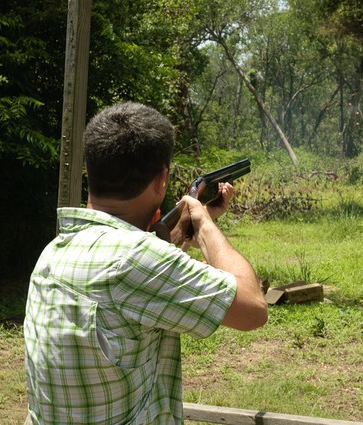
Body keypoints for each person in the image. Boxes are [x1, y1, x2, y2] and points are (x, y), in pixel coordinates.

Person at [24, 102, 267, 425]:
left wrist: (192, 221)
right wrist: (206, 227)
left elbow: (134, 266)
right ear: (162, 178)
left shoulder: (53, 252)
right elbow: (252, 308)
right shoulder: (137, 259)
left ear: (90, 171)